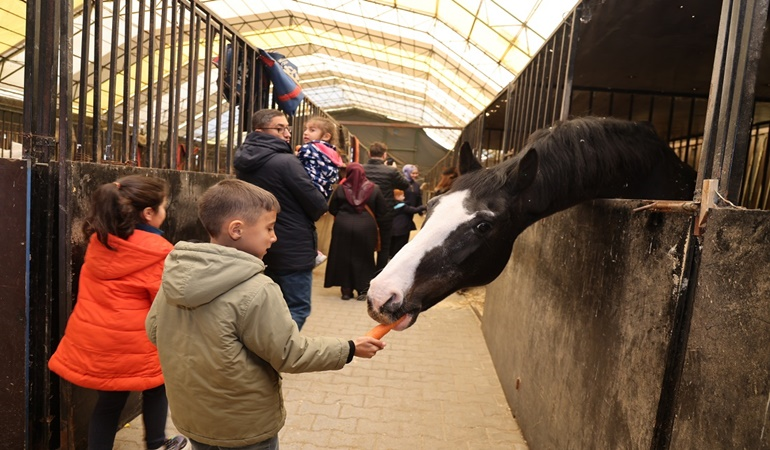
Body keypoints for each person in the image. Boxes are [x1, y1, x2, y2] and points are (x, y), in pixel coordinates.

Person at [146, 179, 385, 449]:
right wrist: (350, 348)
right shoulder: (257, 289)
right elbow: (290, 354)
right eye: (269, 228)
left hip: (195, 420)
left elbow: (154, 331)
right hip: (245, 426)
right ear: (237, 229)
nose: (274, 237)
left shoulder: (176, 275)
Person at [48, 175, 187, 450]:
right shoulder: (158, 251)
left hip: (96, 340)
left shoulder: (100, 241)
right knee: (158, 385)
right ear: (148, 213)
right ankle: (157, 442)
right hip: (134, 341)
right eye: (164, 206)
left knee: (109, 404)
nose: (166, 211)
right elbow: (164, 302)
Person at [234, 109, 328, 330]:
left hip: (258, 245)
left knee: (267, 306)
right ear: (260, 131)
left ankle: (262, 350)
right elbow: (317, 206)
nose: (287, 134)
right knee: (297, 307)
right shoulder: (286, 162)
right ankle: (277, 353)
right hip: (292, 249)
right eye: (279, 128)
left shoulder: (243, 163)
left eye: (287, 128)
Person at [324, 163, 387, 300]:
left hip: (343, 227)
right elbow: (382, 211)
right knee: (365, 258)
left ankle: (346, 291)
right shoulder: (374, 189)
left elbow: (332, 209)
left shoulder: (341, 189)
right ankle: (362, 290)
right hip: (366, 227)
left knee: (344, 257)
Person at [362, 141, 409, 272]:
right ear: (384, 155)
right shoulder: (391, 172)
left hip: (363, 213)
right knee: (384, 246)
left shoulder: (361, 169)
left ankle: (365, 275)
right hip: (385, 214)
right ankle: (379, 274)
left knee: (365, 246)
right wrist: (395, 169)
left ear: (369, 153)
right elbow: (405, 185)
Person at [297, 115, 344, 199]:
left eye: (312, 130)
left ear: (326, 136)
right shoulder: (333, 153)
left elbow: (296, 164)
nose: (305, 132)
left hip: (307, 187)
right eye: (306, 129)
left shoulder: (308, 148)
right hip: (324, 191)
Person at [390, 188, 426, 257]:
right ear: (397, 197)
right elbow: (414, 210)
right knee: (400, 246)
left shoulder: (391, 205)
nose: (404, 197)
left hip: (393, 229)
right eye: (402, 195)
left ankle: (391, 256)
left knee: (393, 244)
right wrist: (424, 207)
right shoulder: (402, 206)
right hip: (402, 229)